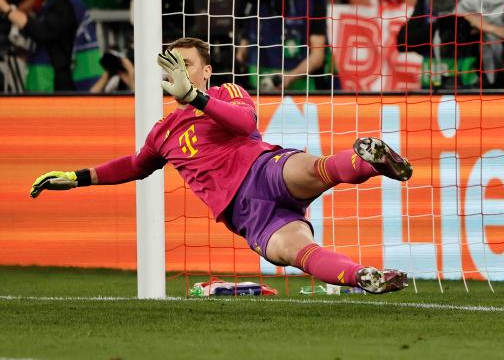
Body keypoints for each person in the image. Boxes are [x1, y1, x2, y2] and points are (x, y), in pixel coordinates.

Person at [30, 37, 410, 294]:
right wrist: (77, 177)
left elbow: (245, 124)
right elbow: (134, 165)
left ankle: (370, 161)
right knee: (298, 253)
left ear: (206, 71)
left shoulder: (226, 92)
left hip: (264, 171)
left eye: (187, 64)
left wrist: (196, 97)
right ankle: (364, 276)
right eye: (172, 66)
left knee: (314, 170)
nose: (178, 72)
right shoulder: (162, 132)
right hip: (247, 216)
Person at [0, 0, 101, 92]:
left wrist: (6, 8)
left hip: (65, 94)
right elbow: (54, 46)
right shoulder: (49, 3)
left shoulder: (65, 2)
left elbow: (44, 32)